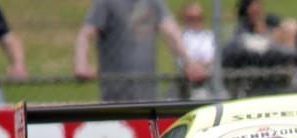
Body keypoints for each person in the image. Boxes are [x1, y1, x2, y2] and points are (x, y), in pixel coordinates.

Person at [74, 0, 208, 102]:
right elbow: (86, 33)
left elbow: (171, 32)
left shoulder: (153, 2)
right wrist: (81, 64)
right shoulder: (106, 3)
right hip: (114, 91)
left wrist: (189, 63)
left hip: (146, 89)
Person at [178, 2, 214, 98]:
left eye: (198, 18)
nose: (195, 22)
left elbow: (212, 57)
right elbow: (181, 60)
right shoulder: (181, 37)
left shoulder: (209, 36)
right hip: (188, 82)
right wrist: (194, 67)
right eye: (191, 18)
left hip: (209, 81)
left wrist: (200, 67)